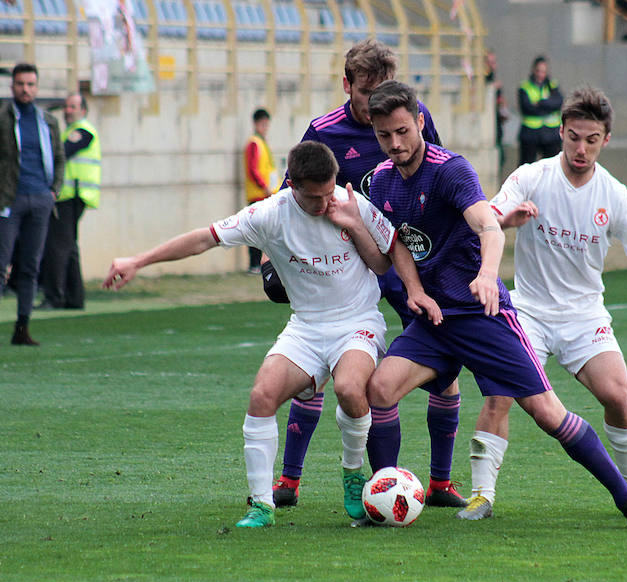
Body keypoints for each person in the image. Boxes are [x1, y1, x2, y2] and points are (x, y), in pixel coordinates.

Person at [363, 79, 627, 530]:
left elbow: (488, 226)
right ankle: (385, 500)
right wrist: (415, 290)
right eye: (385, 135)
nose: (395, 143)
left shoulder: (450, 170)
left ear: (420, 122)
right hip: (436, 319)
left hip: (484, 316)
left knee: (547, 413)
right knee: (379, 389)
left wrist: (485, 276)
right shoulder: (381, 181)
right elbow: (396, 241)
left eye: (403, 131)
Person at [103, 141, 441, 528]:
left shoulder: (353, 204)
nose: (323, 204)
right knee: (262, 395)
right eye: (314, 197)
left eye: (328, 192)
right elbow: (204, 238)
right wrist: (138, 261)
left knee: (350, 388)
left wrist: (353, 224)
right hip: (307, 326)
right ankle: (262, 505)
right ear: (292, 185)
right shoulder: (268, 214)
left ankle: (352, 474)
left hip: (357, 321)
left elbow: (385, 261)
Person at [265, 39, 467, 511]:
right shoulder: (322, 131)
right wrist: (268, 259)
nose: (376, 108)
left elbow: (437, 176)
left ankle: (438, 483)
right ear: (346, 85)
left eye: (384, 92)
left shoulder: (412, 119)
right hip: (343, 272)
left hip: (402, 258)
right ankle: (291, 480)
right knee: (321, 365)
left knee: (442, 364)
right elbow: (288, 194)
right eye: (366, 95)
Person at [457, 87, 627, 522]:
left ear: (606, 140)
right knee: (500, 395)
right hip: (529, 312)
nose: (581, 147)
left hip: (584, 315)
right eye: (573, 136)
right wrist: (507, 218)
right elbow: (484, 217)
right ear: (560, 131)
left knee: (617, 393)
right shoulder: (531, 177)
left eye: (591, 139)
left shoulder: (614, 195)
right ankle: (482, 495)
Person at [0, 63, 65, 346]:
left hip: (40, 200)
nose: (25, 89)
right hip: (9, 202)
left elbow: (60, 158)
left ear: (36, 88)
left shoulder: (48, 121)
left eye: (30, 85)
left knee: (30, 267)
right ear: (12, 86)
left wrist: (53, 191)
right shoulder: (3, 118)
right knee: (1, 265)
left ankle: (22, 328)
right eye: (20, 84)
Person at [38, 93, 101, 310]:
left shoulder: (82, 131)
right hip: (70, 196)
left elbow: (62, 152)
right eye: (66, 107)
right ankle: (75, 299)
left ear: (83, 110)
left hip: (71, 196)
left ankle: (53, 297)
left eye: (73, 107)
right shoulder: (70, 131)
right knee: (69, 246)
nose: (67, 110)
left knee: (57, 246)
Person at [243, 107, 275, 275]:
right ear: (256, 124)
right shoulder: (254, 143)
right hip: (258, 194)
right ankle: (254, 264)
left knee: (264, 232)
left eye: (267, 125)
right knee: (255, 231)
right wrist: (265, 187)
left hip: (265, 194)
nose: (265, 127)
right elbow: (253, 169)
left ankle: (261, 264)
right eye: (263, 124)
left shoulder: (262, 142)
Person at [517, 56, 562, 166]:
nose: (540, 74)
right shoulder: (525, 87)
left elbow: (558, 102)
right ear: (533, 70)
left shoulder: (552, 85)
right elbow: (527, 108)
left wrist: (540, 103)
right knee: (526, 166)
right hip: (530, 133)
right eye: (538, 71)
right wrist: (548, 106)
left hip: (551, 133)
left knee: (552, 167)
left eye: (543, 71)